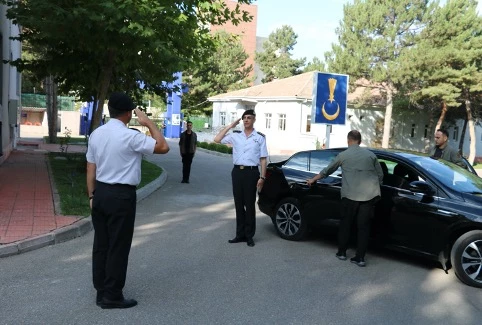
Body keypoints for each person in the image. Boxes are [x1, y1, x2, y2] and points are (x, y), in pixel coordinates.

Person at [86, 92, 169, 309]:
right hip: (121, 196)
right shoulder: (131, 136)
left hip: (101, 193)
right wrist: (148, 122)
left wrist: (91, 195)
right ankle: (112, 295)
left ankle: (101, 291)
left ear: (110, 110)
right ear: (129, 113)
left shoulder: (97, 134)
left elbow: (90, 166)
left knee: (101, 244)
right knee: (118, 246)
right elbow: (163, 146)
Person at [306, 130, 383, 267]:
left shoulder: (343, 155)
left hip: (350, 196)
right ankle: (360, 258)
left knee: (346, 224)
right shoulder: (371, 155)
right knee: (363, 228)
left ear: (348, 140)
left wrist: (313, 179)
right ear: (360, 140)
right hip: (369, 196)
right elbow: (380, 175)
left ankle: (342, 253)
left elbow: (327, 170)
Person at [214, 110, 268, 247]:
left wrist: (262, 177)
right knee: (238, 204)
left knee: (249, 205)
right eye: (244, 118)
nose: (246, 120)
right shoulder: (235, 135)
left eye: (249, 118)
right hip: (237, 172)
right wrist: (230, 126)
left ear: (254, 120)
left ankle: (249, 236)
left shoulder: (260, 137)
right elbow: (217, 139)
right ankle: (239, 234)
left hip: (251, 173)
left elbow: (263, 159)